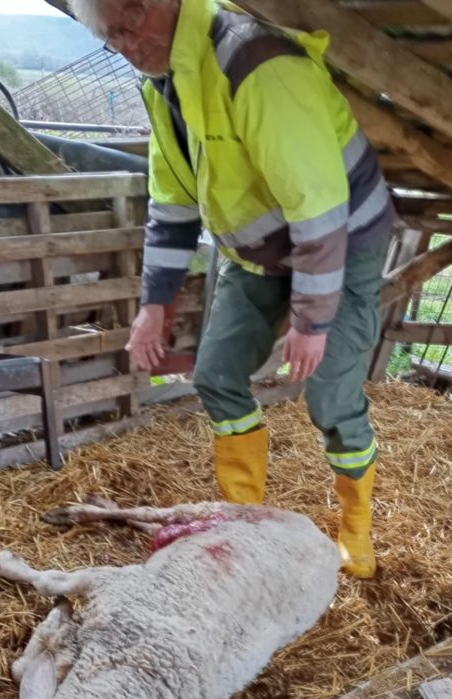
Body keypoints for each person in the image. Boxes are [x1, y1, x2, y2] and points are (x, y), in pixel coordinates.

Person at [71, 0, 395, 577]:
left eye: (130, 22)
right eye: (111, 36)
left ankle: (356, 529)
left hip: (340, 242)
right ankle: (245, 526)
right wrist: (154, 305)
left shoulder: (258, 65)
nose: (126, 46)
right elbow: (172, 203)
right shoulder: (163, 83)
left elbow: (317, 208)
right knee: (216, 374)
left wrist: (312, 319)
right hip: (260, 251)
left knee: (330, 394)